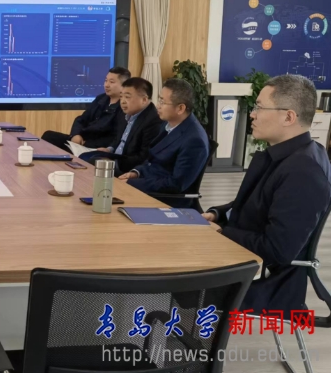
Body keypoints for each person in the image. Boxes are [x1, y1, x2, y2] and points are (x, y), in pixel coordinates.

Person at [202, 74, 331, 317]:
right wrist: (218, 214)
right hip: (242, 259)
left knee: (170, 280)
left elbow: (278, 249)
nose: (252, 114)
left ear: (288, 117)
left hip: (263, 280)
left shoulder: (303, 172)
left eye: (259, 107)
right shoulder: (285, 155)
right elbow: (255, 202)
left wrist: (221, 232)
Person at [118, 78, 209, 207]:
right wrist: (136, 173)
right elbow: (152, 160)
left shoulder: (194, 140)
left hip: (166, 200)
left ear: (180, 108)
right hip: (150, 184)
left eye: (162, 102)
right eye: (159, 100)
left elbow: (176, 184)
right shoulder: (168, 124)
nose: (158, 106)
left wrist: (133, 184)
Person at [78, 77, 163, 176]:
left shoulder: (153, 121)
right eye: (121, 96)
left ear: (144, 99)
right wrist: (109, 149)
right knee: (83, 157)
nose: (122, 101)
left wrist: (114, 162)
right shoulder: (124, 113)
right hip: (116, 157)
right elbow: (118, 139)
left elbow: (144, 157)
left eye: (127, 97)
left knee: (93, 162)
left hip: (128, 167)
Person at [41, 67, 130, 152]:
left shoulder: (124, 107)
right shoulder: (101, 99)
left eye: (111, 82)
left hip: (95, 147)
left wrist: (87, 144)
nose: (106, 85)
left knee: (61, 151)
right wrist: (75, 135)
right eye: (106, 80)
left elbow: (115, 137)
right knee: (48, 136)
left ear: (124, 85)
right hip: (81, 141)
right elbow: (81, 119)